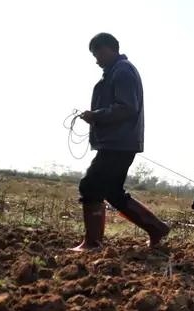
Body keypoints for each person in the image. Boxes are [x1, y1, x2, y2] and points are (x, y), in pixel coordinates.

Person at [70, 32, 169, 252]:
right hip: (120, 142)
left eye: (98, 53)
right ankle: (157, 228)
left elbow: (126, 108)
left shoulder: (122, 71)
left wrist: (95, 116)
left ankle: (92, 243)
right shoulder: (116, 72)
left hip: (118, 143)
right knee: (113, 192)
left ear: (111, 49)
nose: (96, 59)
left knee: (90, 186)